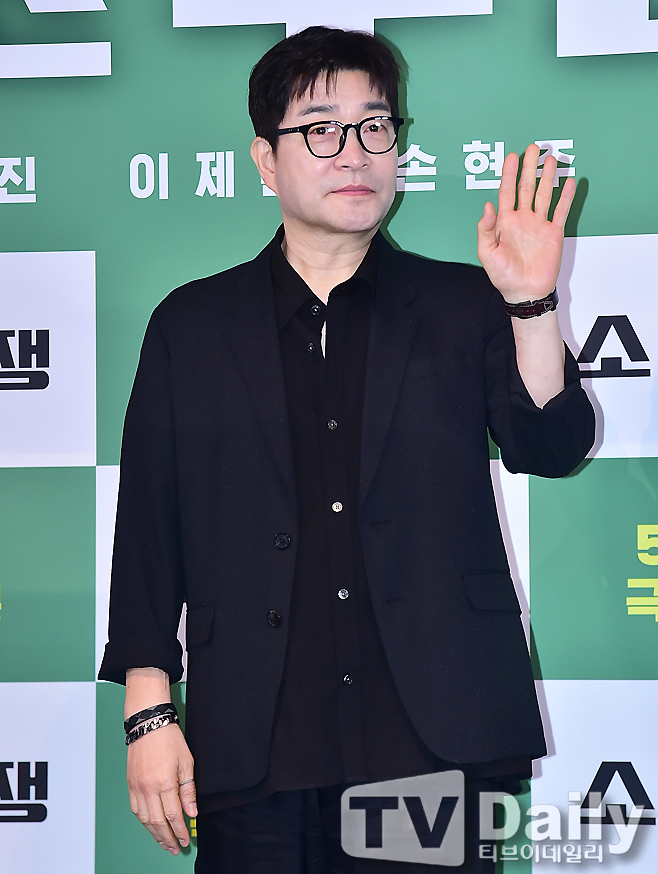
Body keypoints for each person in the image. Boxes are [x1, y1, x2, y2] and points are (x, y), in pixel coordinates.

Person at [99, 25, 595, 873]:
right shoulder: (192, 325)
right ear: (265, 160)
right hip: (255, 741)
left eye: (375, 125)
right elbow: (150, 520)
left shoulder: (463, 303)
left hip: (432, 738)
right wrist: (149, 709)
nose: (355, 151)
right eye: (322, 129)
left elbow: (550, 446)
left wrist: (530, 304)